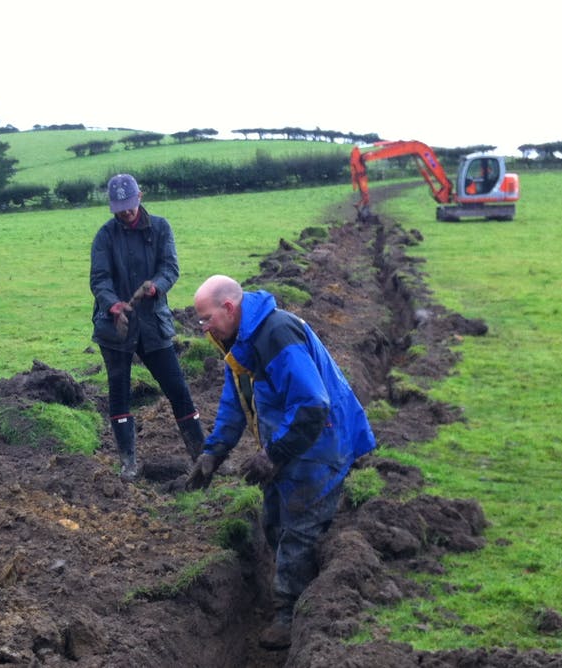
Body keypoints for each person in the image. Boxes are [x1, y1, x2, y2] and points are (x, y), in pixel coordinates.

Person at [185, 275, 376, 650]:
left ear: (228, 307)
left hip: (320, 443)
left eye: (206, 318)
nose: (203, 327)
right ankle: (281, 590)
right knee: (273, 522)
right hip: (289, 442)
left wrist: (272, 455)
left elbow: (312, 405)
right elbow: (234, 402)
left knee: (300, 531)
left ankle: (290, 615)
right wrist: (213, 453)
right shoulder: (238, 339)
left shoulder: (276, 335)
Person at [90, 173, 206, 481]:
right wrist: (113, 305)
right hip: (116, 328)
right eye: (119, 208)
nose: (125, 213)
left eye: (129, 205)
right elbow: (99, 280)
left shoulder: (161, 228)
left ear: (139, 196)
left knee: (178, 388)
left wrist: (157, 286)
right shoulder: (105, 236)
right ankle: (128, 464)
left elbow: (170, 267)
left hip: (153, 323)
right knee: (119, 392)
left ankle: (202, 456)